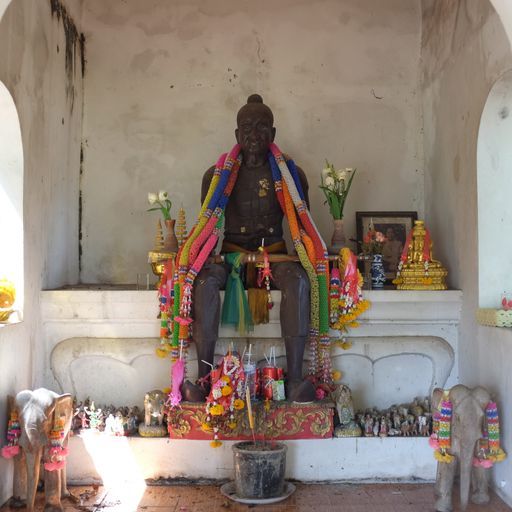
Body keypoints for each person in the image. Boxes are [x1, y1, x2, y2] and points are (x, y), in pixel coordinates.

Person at [181, 94, 316, 403]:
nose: (254, 135)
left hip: (276, 252)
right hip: (231, 254)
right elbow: (207, 226)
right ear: (236, 135)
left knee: (298, 280)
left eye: (261, 127)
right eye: (246, 127)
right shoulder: (216, 176)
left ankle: (296, 379)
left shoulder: (291, 175)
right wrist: (205, 256)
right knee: (203, 282)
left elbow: (304, 228)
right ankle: (204, 378)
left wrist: (308, 257)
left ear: (273, 134)